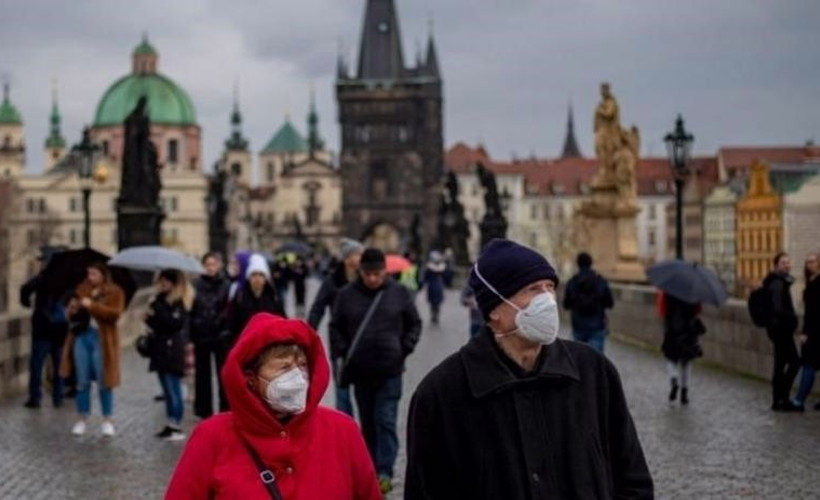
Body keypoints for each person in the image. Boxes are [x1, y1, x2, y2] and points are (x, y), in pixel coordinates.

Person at [405, 239, 653, 499]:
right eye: (533, 289)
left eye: (550, 287)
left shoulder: (594, 372)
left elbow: (632, 478)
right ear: (494, 310)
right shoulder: (441, 394)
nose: (547, 300)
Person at [165, 314, 381, 499]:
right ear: (251, 377)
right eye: (283, 367)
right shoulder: (212, 436)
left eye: (302, 365)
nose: (297, 376)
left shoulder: (342, 431)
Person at [330, 248, 423, 494]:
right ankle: (369, 468)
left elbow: (414, 323)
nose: (373, 278)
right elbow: (335, 327)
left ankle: (385, 471)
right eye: (368, 273)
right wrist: (342, 351)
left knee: (386, 420)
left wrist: (404, 349)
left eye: (377, 273)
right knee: (368, 423)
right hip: (360, 372)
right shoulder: (346, 295)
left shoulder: (399, 293)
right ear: (361, 272)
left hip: (390, 369)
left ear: (385, 271)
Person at [60, 263, 125, 437]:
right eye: (89, 273)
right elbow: (71, 316)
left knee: (104, 381)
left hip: (102, 339)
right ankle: (82, 417)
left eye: (94, 274)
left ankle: (107, 419)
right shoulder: (81, 289)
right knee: (82, 380)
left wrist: (93, 306)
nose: (91, 277)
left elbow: (115, 314)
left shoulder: (115, 292)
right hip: (82, 337)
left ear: (103, 275)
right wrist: (73, 307)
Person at [307, 237, 364, 416]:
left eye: (360, 254)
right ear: (347, 258)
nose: (360, 258)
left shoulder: (367, 279)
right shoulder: (332, 281)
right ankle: (346, 430)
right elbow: (318, 308)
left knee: (364, 395)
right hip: (340, 344)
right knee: (343, 392)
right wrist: (308, 334)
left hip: (365, 342)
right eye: (356, 254)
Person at [146, 269, 193, 441]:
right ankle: (170, 422)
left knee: (173, 388)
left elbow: (173, 323)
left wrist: (156, 308)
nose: (162, 284)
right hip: (159, 348)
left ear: (173, 284)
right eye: (161, 281)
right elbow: (155, 323)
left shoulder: (177, 302)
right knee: (166, 389)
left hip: (172, 349)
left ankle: (177, 425)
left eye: (166, 281)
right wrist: (148, 315)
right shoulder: (158, 300)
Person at [19, 248, 69, 409]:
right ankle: (58, 397)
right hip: (60, 329)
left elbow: (25, 289)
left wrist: (27, 303)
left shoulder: (42, 278)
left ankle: (35, 397)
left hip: (43, 328)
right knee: (59, 364)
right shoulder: (65, 280)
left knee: (37, 365)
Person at [190, 252, 231, 418]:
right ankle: (203, 410)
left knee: (224, 374)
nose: (210, 268)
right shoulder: (195, 285)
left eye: (213, 264)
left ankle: (225, 408)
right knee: (202, 376)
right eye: (207, 264)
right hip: (201, 334)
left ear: (219, 265)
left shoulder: (227, 285)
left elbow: (229, 310)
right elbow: (191, 309)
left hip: (221, 336)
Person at [763, 252, 801, 411]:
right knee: (794, 362)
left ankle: (778, 400)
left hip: (777, 329)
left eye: (788, 262)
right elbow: (778, 308)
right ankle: (782, 398)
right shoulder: (778, 283)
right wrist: (792, 318)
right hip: (781, 329)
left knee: (780, 364)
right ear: (776, 265)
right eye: (784, 263)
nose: (787, 265)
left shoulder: (776, 280)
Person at [657, 292, 704, 405]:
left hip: (672, 329)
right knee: (686, 363)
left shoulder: (667, 291)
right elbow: (698, 310)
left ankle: (674, 379)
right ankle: (684, 393)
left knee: (671, 358)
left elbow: (661, 310)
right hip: (689, 330)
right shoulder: (693, 292)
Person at [228, 253, 286, 344]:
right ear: (249, 277)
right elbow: (232, 324)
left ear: (266, 278)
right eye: (254, 274)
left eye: (261, 275)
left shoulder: (274, 297)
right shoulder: (240, 297)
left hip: (268, 344)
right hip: (245, 344)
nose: (257, 278)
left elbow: (282, 322)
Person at [563, 252, 614, 353]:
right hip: (597, 325)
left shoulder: (572, 282)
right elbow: (610, 303)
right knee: (596, 360)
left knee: (579, 358)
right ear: (591, 263)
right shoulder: (600, 281)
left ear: (578, 264)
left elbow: (566, 305)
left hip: (578, 325)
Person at [793, 253, 820, 410]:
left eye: (813, 261)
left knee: (809, 365)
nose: (810, 264)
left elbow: (814, 312)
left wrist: (805, 332)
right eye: (808, 262)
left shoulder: (817, 283)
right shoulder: (811, 281)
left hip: (815, 332)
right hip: (814, 330)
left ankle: (799, 400)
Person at [421, 250, 446, 325]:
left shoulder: (429, 267)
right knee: (436, 303)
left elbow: (425, 278)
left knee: (433, 303)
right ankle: (435, 315)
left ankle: (434, 315)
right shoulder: (441, 267)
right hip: (438, 286)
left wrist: (423, 284)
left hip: (432, 286)